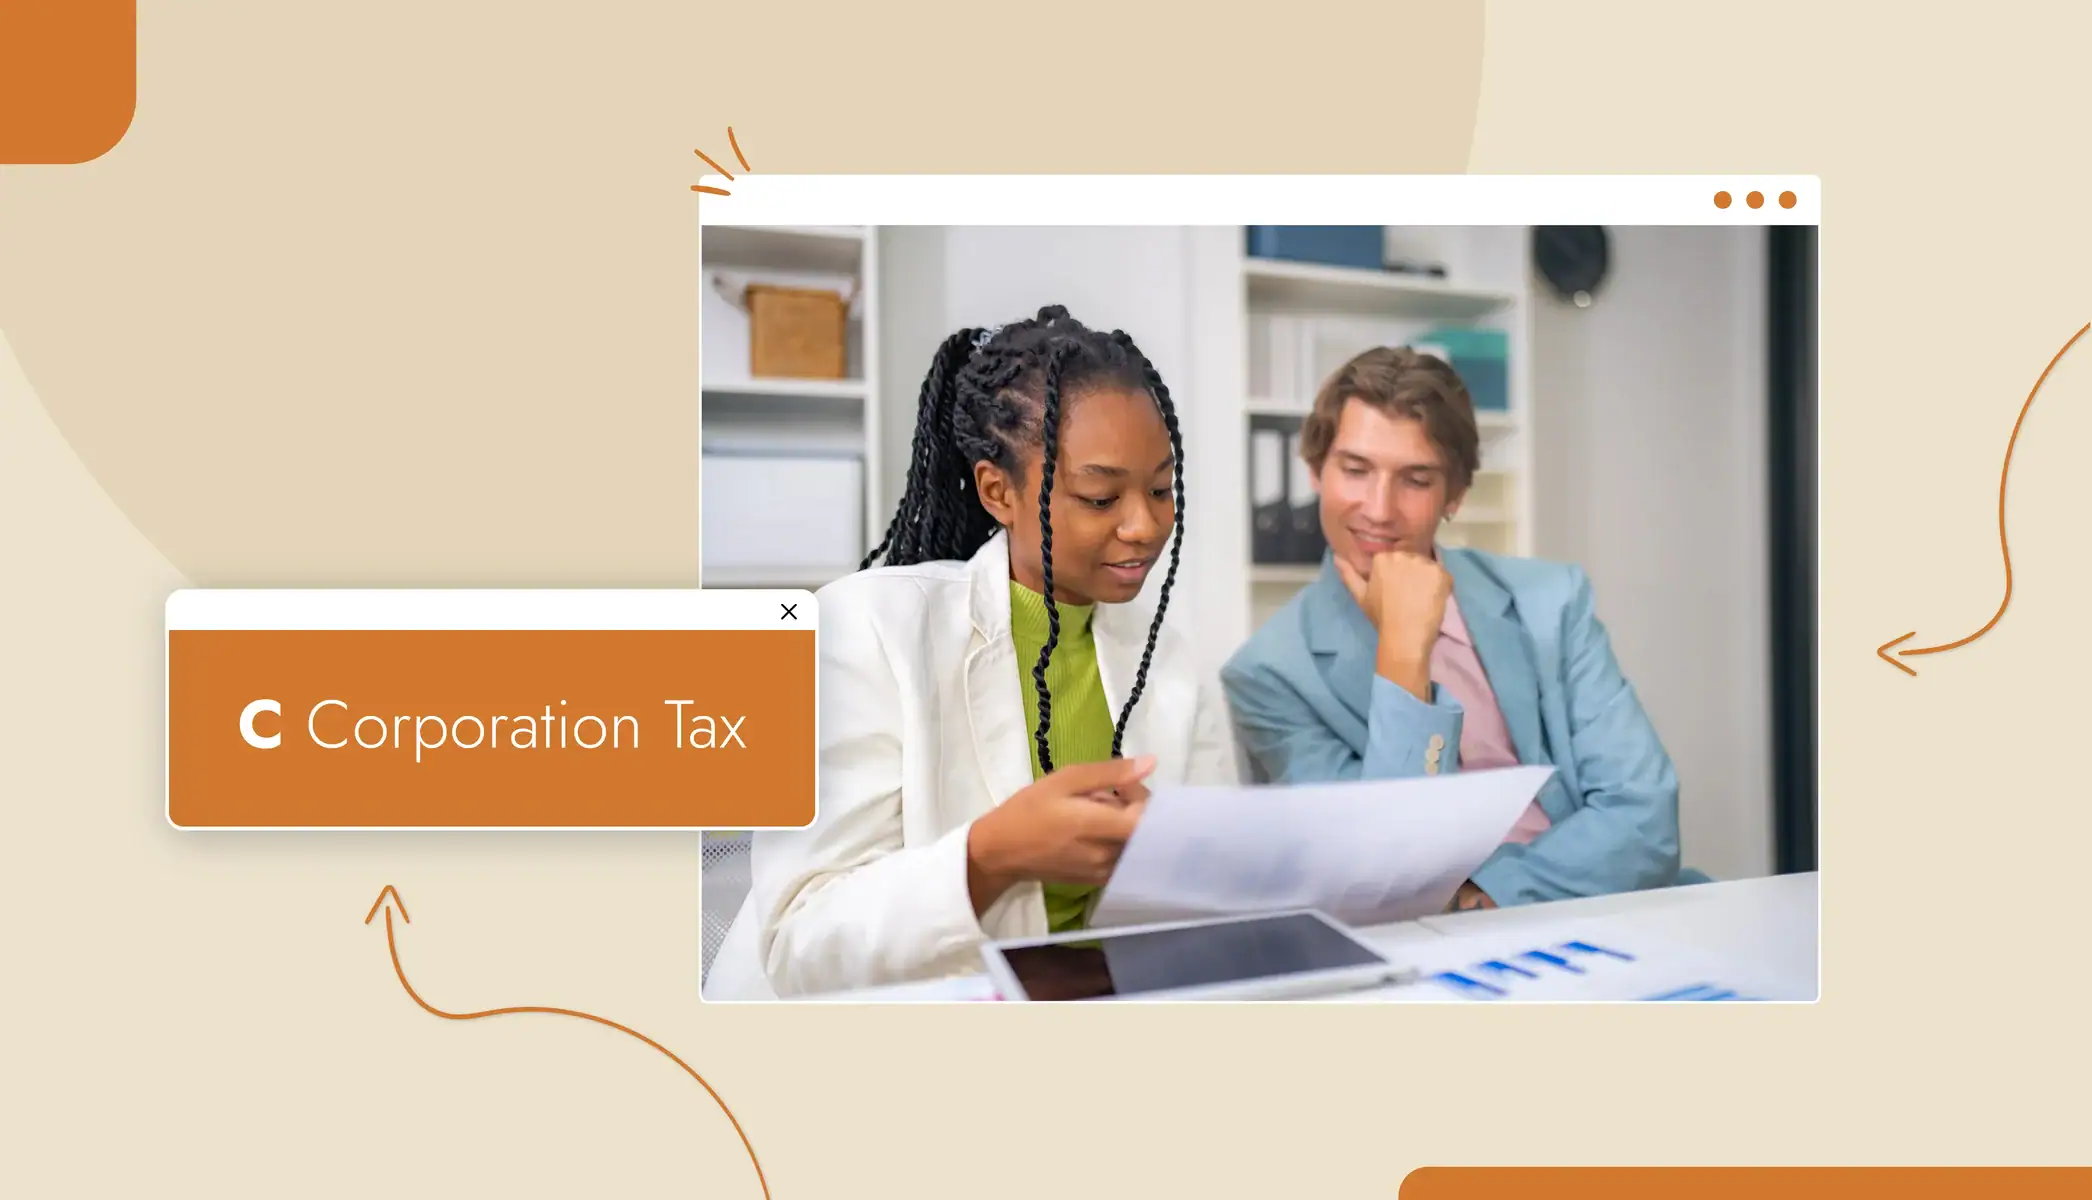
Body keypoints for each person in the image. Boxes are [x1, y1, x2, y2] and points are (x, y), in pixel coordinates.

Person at [706, 305, 1239, 1000]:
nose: (1144, 526)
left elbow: (1221, 880)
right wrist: (991, 855)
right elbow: (800, 941)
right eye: (1100, 497)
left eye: (1163, 490)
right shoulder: (865, 627)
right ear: (998, 491)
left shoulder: (1163, 657)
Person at [1220, 346, 1703, 913]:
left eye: (1416, 479)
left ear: (1455, 496)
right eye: (1355, 470)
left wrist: (1489, 893)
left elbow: (1645, 814)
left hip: (1605, 904)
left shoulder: (1553, 601)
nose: (1378, 508)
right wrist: (1403, 650)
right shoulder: (1269, 676)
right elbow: (1383, 871)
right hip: (1433, 946)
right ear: (1314, 474)